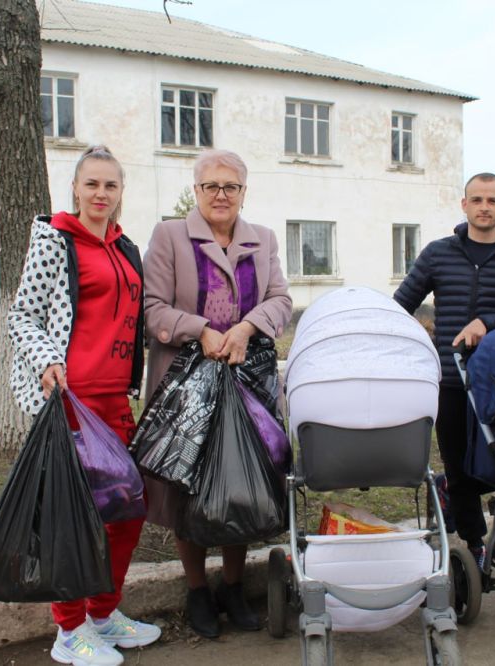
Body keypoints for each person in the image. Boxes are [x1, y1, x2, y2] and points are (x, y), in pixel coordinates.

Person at [9, 145, 159, 666]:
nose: (100, 194)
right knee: (71, 518)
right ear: (75, 188)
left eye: (110, 186)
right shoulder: (55, 240)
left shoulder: (126, 248)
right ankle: (69, 631)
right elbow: (22, 316)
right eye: (91, 184)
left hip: (115, 400)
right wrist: (49, 359)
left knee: (127, 511)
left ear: (120, 193)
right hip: (70, 402)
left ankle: (103, 613)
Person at [141, 149, 292, 638]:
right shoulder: (169, 236)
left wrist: (248, 328)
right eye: (211, 186)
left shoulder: (263, 239)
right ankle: (197, 591)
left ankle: (231, 585)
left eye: (231, 186)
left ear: (244, 192)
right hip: (185, 385)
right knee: (189, 485)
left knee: (240, 481)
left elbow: (281, 299)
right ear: (197, 190)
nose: (221, 194)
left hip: (247, 381)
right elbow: (152, 307)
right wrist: (200, 329)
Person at [394, 172, 495, 565]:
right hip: (451, 378)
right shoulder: (438, 253)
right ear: (464, 205)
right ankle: (475, 545)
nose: (484, 207)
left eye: (492, 200)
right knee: (460, 466)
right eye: (476, 199)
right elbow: (400, 307)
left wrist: (489, 322)